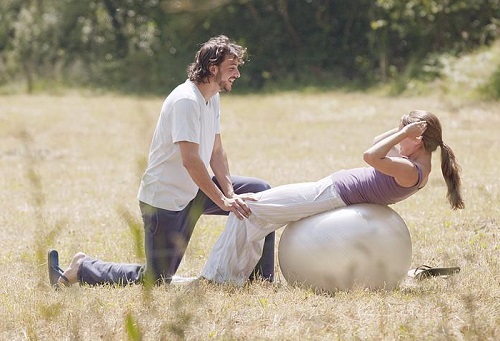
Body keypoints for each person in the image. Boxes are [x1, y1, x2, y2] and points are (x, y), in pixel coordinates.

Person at [48, 35, 275, 287]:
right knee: (156, 280)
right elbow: (191, 160)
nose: (237, 75)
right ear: (213, 68)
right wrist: (222, 199)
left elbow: (216, 151)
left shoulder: (213, 97)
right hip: (165, 202)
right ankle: (83, 267)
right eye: (232, 69)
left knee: (259, 193)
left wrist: (230, 191)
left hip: (195, 189)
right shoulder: (186, 101)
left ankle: (261, 280)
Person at [201, 110, 465, 285]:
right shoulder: (414, 161)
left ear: (417, 140)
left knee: (248, 206)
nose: (399, 138)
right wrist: (403, 130)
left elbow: (370, 155)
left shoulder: (410, 170)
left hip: (329, 195)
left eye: (404, 135)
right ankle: (229, 275)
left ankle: (217, 278)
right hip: (330, 191)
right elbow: (377, 140)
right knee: (255, 211)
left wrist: (404, 133)